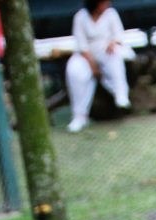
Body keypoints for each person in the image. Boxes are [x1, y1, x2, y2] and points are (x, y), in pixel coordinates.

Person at [65, 0, 133, 132]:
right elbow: (81, 44)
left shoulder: (111, 14)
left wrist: (113, 43)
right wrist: (93, 66)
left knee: (115, 56)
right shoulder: (80, 17)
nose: (106, 5)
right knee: (73, 70)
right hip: (86, 56)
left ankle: (121, 95)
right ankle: (79, 116)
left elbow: (119, 36)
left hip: (107, 51)